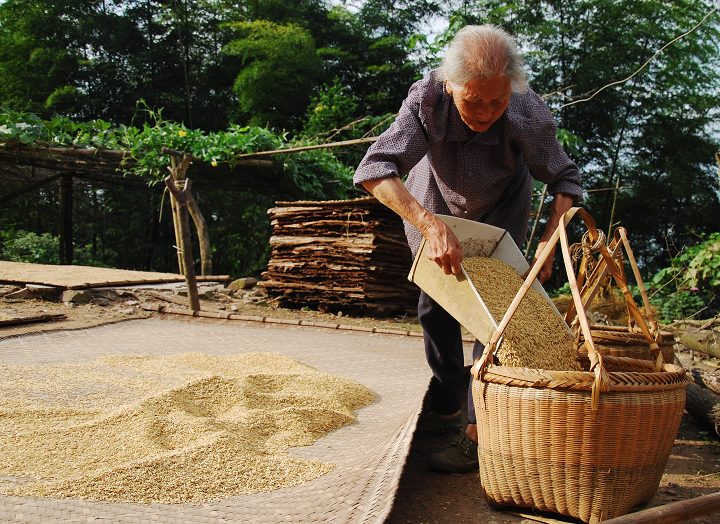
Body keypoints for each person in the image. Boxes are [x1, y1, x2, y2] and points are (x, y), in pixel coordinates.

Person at [353, 24, 583, 473]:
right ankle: (445, 407)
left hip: (501, 209)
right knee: (435, 306)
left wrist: (550, 241)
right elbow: (374, 169)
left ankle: (480, 434)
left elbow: (565, 179)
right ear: (450, 84)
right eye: (473, 101)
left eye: (497, 102)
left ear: (511, 92)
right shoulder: (427, 102)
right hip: (434, 204)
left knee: (494, 320)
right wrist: (428, 223)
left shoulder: (526, 114)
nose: (485, 112)